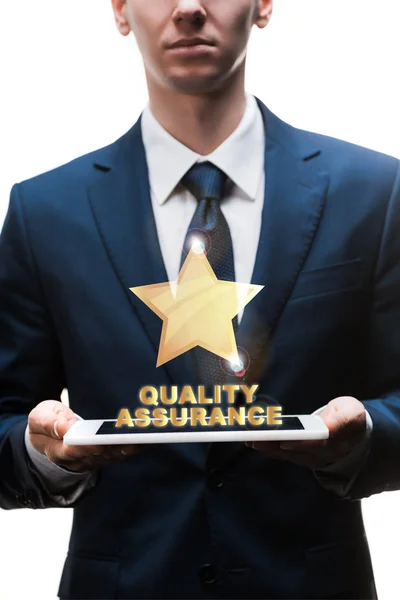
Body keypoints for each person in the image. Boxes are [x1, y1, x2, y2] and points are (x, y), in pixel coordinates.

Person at [0, 0, 399, 598]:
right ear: (119, 10)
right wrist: (45, 453)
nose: (188, 8)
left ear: (264, 5)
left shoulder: (373, 192)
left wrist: (364, 433)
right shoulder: (45, 212)